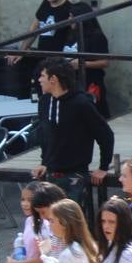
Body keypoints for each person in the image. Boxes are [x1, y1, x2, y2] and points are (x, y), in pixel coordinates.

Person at [32, 57, 115, 204]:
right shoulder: (45, 102)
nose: (39, 80)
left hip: (75, 175)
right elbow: (46, 136)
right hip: (51, 174)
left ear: (54, 79)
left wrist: (103, 167)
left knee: (70, 221)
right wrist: (44, 162)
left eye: (43, 76)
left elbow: (105, 135)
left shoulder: (81, 103)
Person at [4, 0, 75, 95]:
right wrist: (21, 52)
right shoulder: (45, 4)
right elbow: (33, 30)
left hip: (59, 63)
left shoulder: (69, 9)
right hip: (43, 61)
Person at [65, 1, 111, 118]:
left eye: (72, 16)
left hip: (90, 81)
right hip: (71, 82)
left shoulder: (96, 36)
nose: (69, 19)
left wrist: (83, 64)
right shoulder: (71, 34)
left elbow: (105, 62)